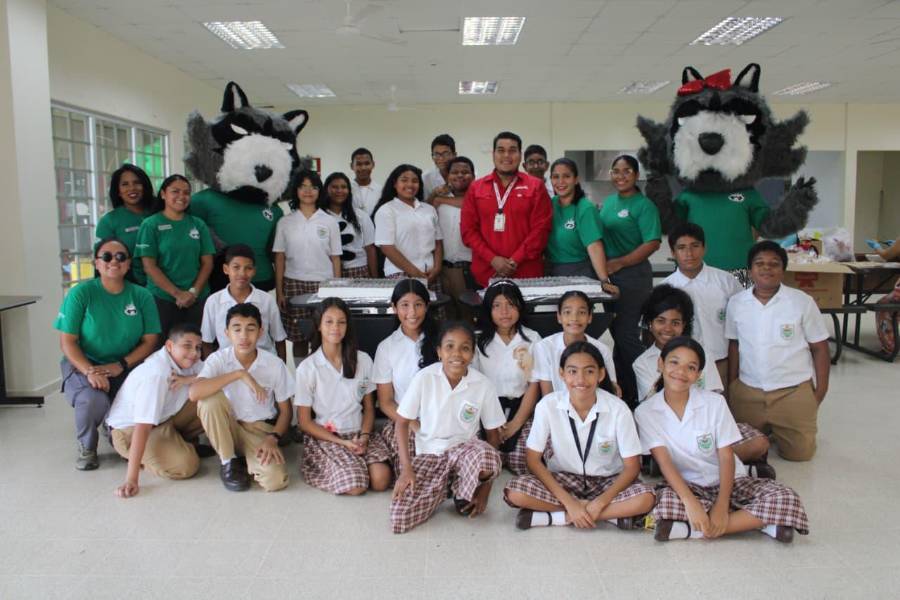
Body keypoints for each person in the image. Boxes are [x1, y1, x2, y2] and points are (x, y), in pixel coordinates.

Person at [635, 337, 809, 542]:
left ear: (698, 375)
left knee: (786, 497)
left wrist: (721, 505)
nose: (680, 372)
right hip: (687, 485)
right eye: (674, 362)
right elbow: (664, 462)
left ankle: (692, 529)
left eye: (691, 367)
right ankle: (759, 523)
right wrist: (690, 502)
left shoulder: (715, 403)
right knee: (663, 501)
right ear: (660, 364)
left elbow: (726, 457)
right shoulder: (645, 412)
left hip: (729, 480)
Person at [505, 342, 656, 530]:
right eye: (573, 371)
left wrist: (599, 503)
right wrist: (569, 502)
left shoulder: (619, 409)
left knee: (646, 497)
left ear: (601, 374)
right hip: (563, 479)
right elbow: (533, 460)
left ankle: (556, 517)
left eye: (589, 371)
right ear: (562, 374)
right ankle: (611, 517)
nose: (581, 379)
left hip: (608, 481)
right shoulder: (547, 405)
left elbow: (632, 467)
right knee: (515, 492)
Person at [634, 285, 773, 474]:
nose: (668, 328)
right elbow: (653, 405)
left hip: (706, 423)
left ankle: (687, 466)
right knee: (664, 449)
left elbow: (714, 395)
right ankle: (738, 467)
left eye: (675, 322)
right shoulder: (642, 363)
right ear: (650, 323)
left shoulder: (701, 354)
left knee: (760, 442)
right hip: (669, 430)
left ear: (684, 325)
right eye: (661, 321)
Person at [389, 321, 506, 534]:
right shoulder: (424, 378)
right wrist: (406, 470)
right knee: (400, 517)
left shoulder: (483, 385)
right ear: (439, 352)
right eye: (449, 346)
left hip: (465, 452)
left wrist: (485, 490)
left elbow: (493, 436)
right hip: (430, 454)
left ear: (472, 354)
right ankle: (447, 487)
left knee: (488, 456)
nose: (457, 354)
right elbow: (402, 423)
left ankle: (463, 486)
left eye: (465, 348)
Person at [55, 238, 160, 470]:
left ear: (128, 263)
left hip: (127, 364)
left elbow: (150, 340)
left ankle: (114, 430)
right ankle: (87, 446)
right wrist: (89, 371)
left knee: (138, 400)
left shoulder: (141, 295)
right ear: (97, 263)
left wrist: (121, 364)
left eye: (121, 256)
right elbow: (67, 342)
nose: (114, 261)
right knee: (93, 399)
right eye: (107, 256)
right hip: (84, 364)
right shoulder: (81, 293)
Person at [726, 240, 831, 461]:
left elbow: (820, 348)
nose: (766, 268)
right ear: (750, 270)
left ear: (783, 270)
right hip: (748, 391)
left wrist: (820, 392)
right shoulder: (736, 303)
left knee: (800, 455)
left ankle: (781, 426)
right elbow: (734, 345)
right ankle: (768, 428)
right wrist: (733, 385)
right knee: (744, 451)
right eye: (759, 263)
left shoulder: (802, 302)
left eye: (774, 264)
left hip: (791, 391)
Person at [189, 303, 293, 492]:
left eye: (250, 329)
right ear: (227, 333)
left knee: (276, 481)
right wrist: (239, 374)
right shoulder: (218, 359)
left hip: (259, 430)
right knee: (209, 400)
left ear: (260, 332)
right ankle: (228, 461)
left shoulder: (274, 364)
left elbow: (286, 411)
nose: (244, 336)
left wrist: (273, 438)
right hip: (227, 427)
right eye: (237, 329)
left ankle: (244, 458)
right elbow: (194, 393)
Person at [295, 298, 392, 495]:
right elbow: (304, 422)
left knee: (381, 480)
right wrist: (342, 443)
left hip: (359, 433)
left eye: (341, 322)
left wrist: (364, 436)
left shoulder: (363, 360)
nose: (335, 327)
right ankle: (349, 467)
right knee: (356, 486)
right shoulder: (308, 367)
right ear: (319, 325)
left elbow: (369, 408)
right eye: (329, 321)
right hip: (329, 437)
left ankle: (355, 464)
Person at [106, 323, 204, 498]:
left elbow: (214, 374)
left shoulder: (189, 361)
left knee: (211, 396)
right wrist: (131, 479)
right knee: (187, 466)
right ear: (169, 346)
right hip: (131, 432)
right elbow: (142, 427)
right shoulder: (157, 374)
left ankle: (176, 445)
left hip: (163, 420)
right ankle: (137, 457)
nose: (194, 353)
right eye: (187, 346)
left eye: (198, 347)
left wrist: (190, 379)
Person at [597, 155, 661, 405]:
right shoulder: (609, 202)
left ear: (636, 175)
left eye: (626, 171)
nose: (620, 176)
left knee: (626, 335)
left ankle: (652, 389)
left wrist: (621, 262)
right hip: (610, 277)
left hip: (633, 276)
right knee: (617, 334)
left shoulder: (644, 205)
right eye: (616, 171)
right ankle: (625, 392)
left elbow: (652, 242)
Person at [461, 131, 553, 287]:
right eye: (501, 150)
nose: (506, 155)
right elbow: (468, 231)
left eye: (512, 150)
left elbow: (541, 230)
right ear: (493, 154)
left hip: (526, 274)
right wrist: (493, 259)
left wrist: (514, 260)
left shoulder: (535, 186)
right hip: (486, 273)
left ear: (520, 155)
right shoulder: (476, 188)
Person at [662, 222, 744, 386]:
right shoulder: (665, 289)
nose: (689, 253)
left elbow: (742, 326)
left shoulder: (727, 282)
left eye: (695, 246)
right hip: (680, 371)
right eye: (682, 248)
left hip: (722, 364)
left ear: (704, 248)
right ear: (673, 252)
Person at [473, 280, 541, 474]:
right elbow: (474, 385)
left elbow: (533, 385)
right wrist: (492, 425)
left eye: (510, 304)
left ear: (520, 307)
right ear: (488, 309)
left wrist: (515, 424)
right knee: (483, 462)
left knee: (522, 462)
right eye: (497, 306)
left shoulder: (532, 339)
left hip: (521, 409)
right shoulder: (478, 340)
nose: (504, 312)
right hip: (486, 410)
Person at [273, 169, 342, 360]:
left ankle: (322, 375)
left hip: (323, 285)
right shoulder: (285, 222)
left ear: (320, 191)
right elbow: (279, 258)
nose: (308, 191)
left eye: (313, 187)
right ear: (296, 191)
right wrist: (280, 292)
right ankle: (301, 375)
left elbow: (336, 258)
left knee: (324, 335)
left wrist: (337, 288)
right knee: (299, 338)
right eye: (302, 187)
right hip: (294, 283)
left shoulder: (329, 221)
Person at [373, 279, 440, 471]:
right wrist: (414, 424)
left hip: (441, 417)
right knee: (415, 468)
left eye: (418, 304)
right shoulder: (386, 348)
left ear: (427, 306)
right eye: (404, 305)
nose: (412, 312)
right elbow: (386, 402)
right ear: (394, 307)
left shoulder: (443, 340)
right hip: (403, 421)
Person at [136, 174, 215, 336]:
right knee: (163, 347)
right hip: (162, 299)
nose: (181, 196)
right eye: (175, 191)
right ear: (163, 194)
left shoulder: (198, 224)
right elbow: (149, 266)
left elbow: (207, 263)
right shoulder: (150, 224)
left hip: (197, 298)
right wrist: (178, 294)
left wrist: (193, 293)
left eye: (186, 193)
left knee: (197, 345)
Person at [189, 175, 283, 292]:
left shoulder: (274, 209)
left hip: (261, 278)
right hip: (219, 279)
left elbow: (276, 251)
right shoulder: (203, 200)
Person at [201, 244, 287, 361]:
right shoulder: (213, 301)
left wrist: (281, 368)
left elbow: (279, 339)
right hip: (228, 365)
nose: (242, 273)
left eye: (248, 268)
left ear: (254, 271)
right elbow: (206, 342)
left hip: (263, 363)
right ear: (226, 269)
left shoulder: (267, 300)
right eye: (236, 267)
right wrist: (211, 369)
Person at [532, 291, 618, 397]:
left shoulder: (602, 350)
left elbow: (610, 391)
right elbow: (548, 395)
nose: (574, 318)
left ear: (590, 317)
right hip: (557, 406)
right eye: (567, 312)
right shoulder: (544, 347)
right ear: (559, 317)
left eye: (581, 312)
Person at [372, 164, 443, 291]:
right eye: (404, 180)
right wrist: (416, 273)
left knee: (434, 305)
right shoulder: (386, 210)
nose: (410, 184)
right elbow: (387, 248)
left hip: (431, 274)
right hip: (400, 273)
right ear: (395, 184)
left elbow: (438, 242)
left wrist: (437, 268)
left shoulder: (429, 209)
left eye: (415, 181)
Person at [546, 158, 612, 282]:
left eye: (566, 176)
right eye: (555, 177)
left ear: (576, 179)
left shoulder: (585, 208)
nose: (560, 181)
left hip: (579, 272)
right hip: (551, 271)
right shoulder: (549, 204)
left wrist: (604, 280)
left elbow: (594, 247)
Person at [95, 164, 155, 286]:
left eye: (137, 183)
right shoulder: (109, 221)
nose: (132, 188)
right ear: (118, 191)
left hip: (167, 287)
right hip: (129, 288)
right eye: (125, 184)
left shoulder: (160, 213)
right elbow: (103, 262)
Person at [435, 156, 476, 319]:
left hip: (469, 270)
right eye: (455, 172)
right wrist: (436, 197)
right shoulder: (438, 200)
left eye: (465, 172)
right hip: (442, 270)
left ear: (473, 176)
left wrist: (440, 199)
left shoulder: (480, 197)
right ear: (447, 176)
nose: (460, 175)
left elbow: (469, 203)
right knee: (447, 319)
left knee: (470, 318)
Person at [321, 171, 377, 278]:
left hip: (357, 270)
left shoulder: (361, 216)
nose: (339, 191)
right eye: (334, 187)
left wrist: (374, 278)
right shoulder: (320, 216)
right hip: (328, 271)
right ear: (326, 189)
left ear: (349, 190)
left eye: (344, 187)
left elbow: (370, 249)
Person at [423, 133, 456, 202]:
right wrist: (434, 194)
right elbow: (424, 205)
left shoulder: (467, 173)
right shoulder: (426, 177)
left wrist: (439, 200)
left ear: (454, 155)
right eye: (436, 154)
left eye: (445, 154)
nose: (441, 158)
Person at [350, 147, 383, 217]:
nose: (363, 168)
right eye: (359, 164)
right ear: (352, 166)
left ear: (373, 165)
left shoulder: (381, 190)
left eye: (367, 163)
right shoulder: (346, 189)